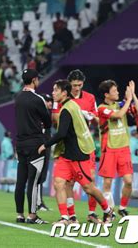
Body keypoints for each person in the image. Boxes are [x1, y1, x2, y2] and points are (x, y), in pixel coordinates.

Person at [38, 79, 115, 225]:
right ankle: (66, 218)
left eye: (55, 90)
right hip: (66, 155)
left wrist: (45, 145)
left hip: (78, 155)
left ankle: (107, 210)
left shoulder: (67, 109)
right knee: (59, 183)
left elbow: (61, 133)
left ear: (64, 93)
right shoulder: (70, 105)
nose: (53, 93)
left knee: (89, 187)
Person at [51, 69, 100, 223]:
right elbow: (54, 119)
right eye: (74, 85)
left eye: (79, 85)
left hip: (85, 145)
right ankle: (71, 216)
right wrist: (76, 114)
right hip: (68, 145)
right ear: (68, 85)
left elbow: (98, 119)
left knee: (90, 181)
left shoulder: (90, 98)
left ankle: (92, 213)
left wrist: (90, 115)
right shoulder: (63, 98)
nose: (77, 88)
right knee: (67, 182)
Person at [97, 80, 138, 216]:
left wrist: (133, 95)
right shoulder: (101, 108)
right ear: (106, 94)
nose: (117, 92)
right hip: (109, 149)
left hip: (123, 149)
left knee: (128, 181)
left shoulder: (121, 104)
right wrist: (128, 100)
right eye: (114, 91)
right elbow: (117, 115)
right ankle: (109, 211)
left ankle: (122, 207)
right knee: (107, 182)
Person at [14, 69, 51, 224]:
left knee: (20, 180)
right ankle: (32, 215)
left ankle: (19, 214)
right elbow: (48, 122)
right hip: (35, 143)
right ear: (35, 80)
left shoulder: (17, 97)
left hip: (20, 143)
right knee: (33, 181)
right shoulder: (38, 99)